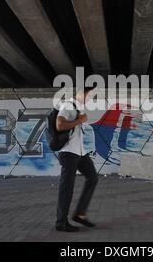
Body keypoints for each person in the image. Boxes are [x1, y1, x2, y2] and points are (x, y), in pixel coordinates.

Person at [55, 86, 98, 232]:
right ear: (81, 93)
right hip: (68, 153)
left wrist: (80, 120)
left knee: (92, 177)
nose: (91, 98)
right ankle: (61, 222)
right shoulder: (67, 105)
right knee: (67, 188)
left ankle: (80, 214)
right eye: (90, 95)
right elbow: (60, 125)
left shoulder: (79, 108)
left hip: (79, 152)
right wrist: (79, 121)